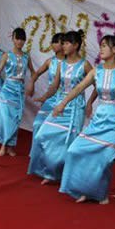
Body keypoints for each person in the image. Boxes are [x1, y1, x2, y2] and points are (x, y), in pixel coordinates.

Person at [59, 35, 115, 204]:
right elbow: (79, 87)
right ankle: (85, 189)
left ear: (114, 49)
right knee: (76, 150)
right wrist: (63, 103)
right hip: (98, 119)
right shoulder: (96, 71)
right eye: (100, 46)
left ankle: (100, 193)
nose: (101, 49)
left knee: (104, 158)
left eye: (104, 46)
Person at [29, 30, 92, 184]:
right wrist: (44, 97)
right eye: (62, 43)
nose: (63, 46)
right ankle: (49, 170)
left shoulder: (84, 65)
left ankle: (63, 175)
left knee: (68, 144)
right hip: (59, 105)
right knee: (42, 135)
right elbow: (55, 86)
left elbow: (98, 84)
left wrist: (89, 102)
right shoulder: (61, 64)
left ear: (76, 45)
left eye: (66, 43)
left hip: (75, 108)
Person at [0, 27, 35, 157]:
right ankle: (4, 144)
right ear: (13, 39)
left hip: (19, 90)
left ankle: (10, 146)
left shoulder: (26, 57)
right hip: (7, 89)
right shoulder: (6, 55)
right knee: (5, 118)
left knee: (16, 119)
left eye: (22, 39)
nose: (20, 42)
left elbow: (33, 72)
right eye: (17, 38)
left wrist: (31, 85)